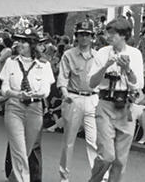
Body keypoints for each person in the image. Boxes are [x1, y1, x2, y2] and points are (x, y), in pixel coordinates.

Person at [88, 17, 144, 182]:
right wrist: (105, 66)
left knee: (120, 160)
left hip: (126, 106)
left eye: (113, 33)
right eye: (108, 33)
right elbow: (91, 83)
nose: (109, 36)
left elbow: (138, 84)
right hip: (105, 104)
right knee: (107, 156)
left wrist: (127, 69)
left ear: (123, 35)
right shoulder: (102, 52)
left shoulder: (135, 54)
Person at [0, 28, 55, 182]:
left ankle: (13, 179)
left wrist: (35, 94)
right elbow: (4, 88)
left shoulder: (44, 65)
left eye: (24, 41)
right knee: (18, 149)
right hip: (14, 107)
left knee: (26, 151)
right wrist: (17, 94)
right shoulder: (11, 62)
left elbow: (46, 90)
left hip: (34, 109)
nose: (19, 44)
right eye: (19, 41)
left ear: (32, 44)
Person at [57, 21, 99, 182]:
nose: (84, 37)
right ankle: (64, 177)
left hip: (92, 98)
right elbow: (63, 76)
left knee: (93, 140)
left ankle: (98, 177)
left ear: (92, 37)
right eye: (81, 34)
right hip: (73, 97)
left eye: (87, 34)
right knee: (69, 140)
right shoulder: (69, 54)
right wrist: (64, 92)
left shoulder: (97, 56)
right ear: (77, 36)